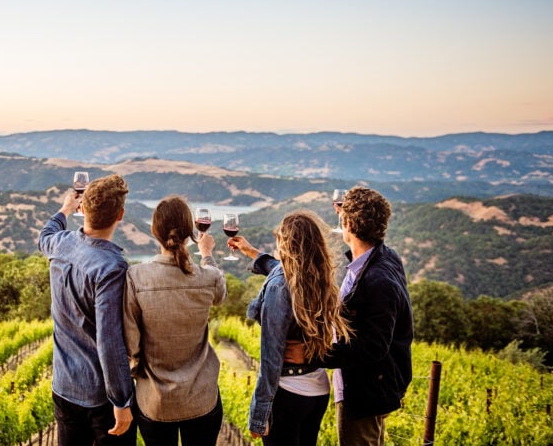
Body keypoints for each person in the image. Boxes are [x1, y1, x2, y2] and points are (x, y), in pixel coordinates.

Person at [280, 187, 414, 446]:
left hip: (366, 392)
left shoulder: (378, 281)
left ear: (348, 223)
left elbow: (373, 348)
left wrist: (312, 354)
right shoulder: (380, 258)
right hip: (366, 384)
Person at [227, 210, 352, 446]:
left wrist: (259, 413)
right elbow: (277, 267)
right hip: (316, 392)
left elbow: (271, 357)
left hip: (288, 394)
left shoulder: (279, 287)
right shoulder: (319, 277)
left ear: (285, 245)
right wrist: (251, 252)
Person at [38, 173, 136, 446]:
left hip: (64, 386)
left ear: (83, 210)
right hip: (99, 397)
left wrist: (64, 209)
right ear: (120, 216)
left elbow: (44, 235)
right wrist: (121, 400)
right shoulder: (111, 267)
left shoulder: (60, 243)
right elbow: (109, 340)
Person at [123, 195, 227, 446]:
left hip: (155, 402)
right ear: (190, 232)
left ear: (154, 232)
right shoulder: (208, 277)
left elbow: (131, 345)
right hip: (202, 398)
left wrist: (142, 377)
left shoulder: (136, 278)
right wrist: (207, 255)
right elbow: (220, 296)